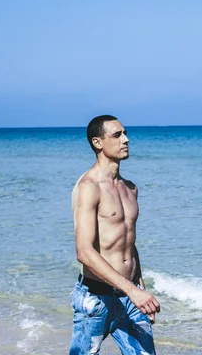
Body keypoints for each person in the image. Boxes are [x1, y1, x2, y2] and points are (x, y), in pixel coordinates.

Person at [69, 115, 160, 355]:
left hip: (131, 298)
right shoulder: (89, 187)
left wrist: (139, 287)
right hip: (96, 299)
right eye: (117, 135)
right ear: (98, 143)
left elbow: (128, 241)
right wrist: (133, 291)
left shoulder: (130, 188)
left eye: (125, 133)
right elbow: (84, 252)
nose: (126, 139)